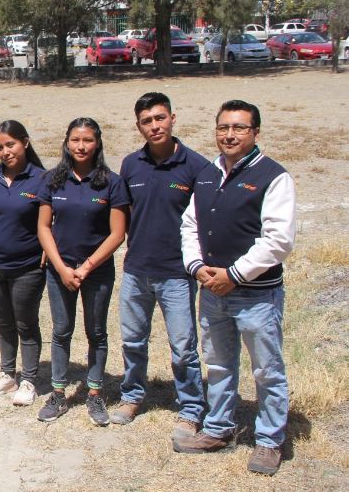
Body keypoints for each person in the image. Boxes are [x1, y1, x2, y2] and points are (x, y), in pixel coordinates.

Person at [176, 100, 295, 475]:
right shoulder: (208, 174)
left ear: (255, 132)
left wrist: (234, 274)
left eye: (239, 128)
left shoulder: (274, 177)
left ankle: (269, 440)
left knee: (267, 369)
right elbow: (190, 225)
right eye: (223, 127)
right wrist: (198, 268)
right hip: (212, 291)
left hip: (256, 294)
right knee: (219, 364)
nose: (229, 135)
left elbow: (278, 241)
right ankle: (218, 428)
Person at [110, 92, 208, 442]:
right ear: (138, 126)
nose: (155, 126)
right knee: (133, 340)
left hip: (177, 274)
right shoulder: (130, 165)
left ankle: (191, 407)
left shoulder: (196, 167)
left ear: (172, 118)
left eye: (160, 118)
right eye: (147, 121)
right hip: (137, 270)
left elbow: (203, 222)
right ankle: (132, 396)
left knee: (183, 346)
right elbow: (127, 213)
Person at [36, 117, 128, 426]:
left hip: (97, 272)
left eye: (87, 139)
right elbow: (43, 228)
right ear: (66, 142)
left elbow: (117, 234)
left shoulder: (111, 182)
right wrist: (61, 268)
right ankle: (59, 392)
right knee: (61, 331)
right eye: (75, 139)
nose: (81, 145)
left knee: (96, 332)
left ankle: (95, 393)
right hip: (59, 270)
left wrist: (86, 267)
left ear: (98, 143)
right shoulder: (53, 180)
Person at [0, 120, 47, 406]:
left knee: (26, 323)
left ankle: (28, 379)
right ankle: (8, 374)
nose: (5, 152)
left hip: (27, 267)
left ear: (25, 143)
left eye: (11, 144)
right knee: (4, 321)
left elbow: (49, 222)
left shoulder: (41, 179)